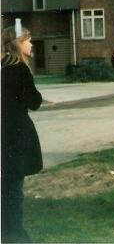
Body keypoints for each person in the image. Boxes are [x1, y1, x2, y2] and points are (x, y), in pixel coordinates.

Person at [1, 19, 43, 242]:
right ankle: (14, 234)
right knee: (14, 191)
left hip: (4, 135)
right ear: (18, 43)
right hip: (16, 137)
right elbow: (34, 102)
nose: (31, 45)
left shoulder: (3, 68)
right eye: (28, 40)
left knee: (6, 187)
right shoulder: (20, 70)